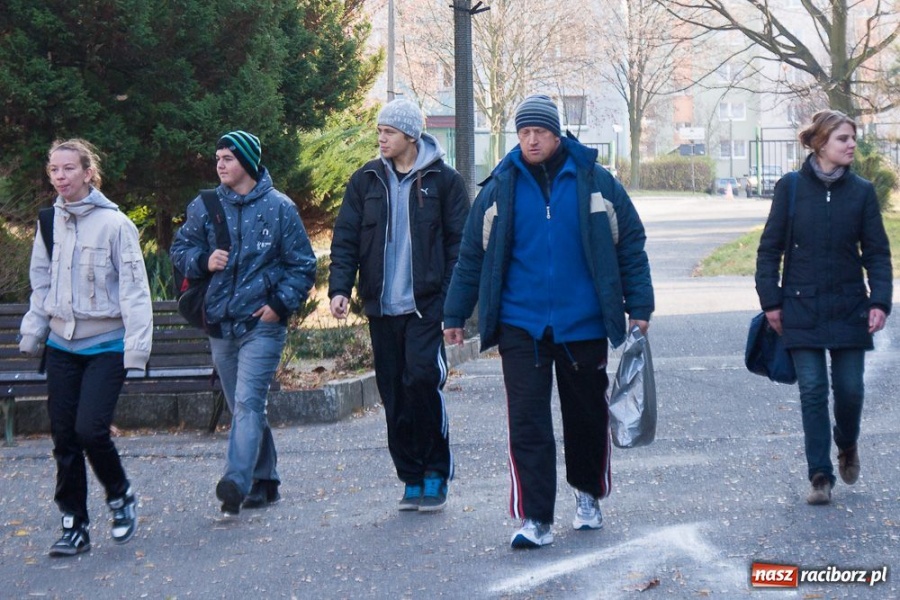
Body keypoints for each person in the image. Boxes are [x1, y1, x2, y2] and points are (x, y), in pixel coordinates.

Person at [443, 95, 654, 548]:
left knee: (586, 418)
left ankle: (588, 494)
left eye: (540, 131)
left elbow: (630, 245)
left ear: (557, 134)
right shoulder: (499, 187)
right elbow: (471, 256)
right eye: (524, 132)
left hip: (584, 323)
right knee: (527, 423)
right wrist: (454, 313)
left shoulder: (595, 181)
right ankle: (534, 517)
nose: (532, 140)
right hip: (522, 326)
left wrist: (640, 306)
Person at [328, 98, 469, 512]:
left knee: (422, 381)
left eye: (389, 132)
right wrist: (340, 289)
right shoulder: (366, 180)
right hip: (381, 307)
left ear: (410, 135)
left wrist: (451, 303)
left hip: (425, 306)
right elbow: (346, 238)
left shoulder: (445, 182)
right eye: (379, 131)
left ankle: (435, 472)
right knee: (394, 394)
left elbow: (460, 246)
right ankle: (410, 476)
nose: (381, 139)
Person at [170, 131, 316, 514]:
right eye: (217, 158)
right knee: (242, 407)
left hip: (261, 325)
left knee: (249, 402)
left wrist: (278, 305)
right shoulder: (204, 206)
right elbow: (180, 249)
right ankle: (265, 480)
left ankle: (236, 481)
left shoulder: (280, 208)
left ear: (247, 163)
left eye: (228, 158)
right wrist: (203, 261)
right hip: (219, 324)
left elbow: (302, 265)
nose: (220, 165)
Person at [19, 139, 153, 556]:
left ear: (88, 173)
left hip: (106, 345)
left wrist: (136, 351)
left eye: (69, 169)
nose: (60, 177)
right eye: (54, 170)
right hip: (61, 345)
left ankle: (119, 494)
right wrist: (33, 331)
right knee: (64, 438)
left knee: (90, 430)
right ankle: (74, 524)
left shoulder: (116, 225)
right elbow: (41, 284)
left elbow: (135, 291)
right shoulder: (48, 222)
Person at [755, 110, 892, 506]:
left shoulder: (862, 192)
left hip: (850, 306)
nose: (852, 145)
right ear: (820, 144)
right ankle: (820, 475)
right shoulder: (791, 188)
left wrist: (879, 301)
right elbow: (769, 250)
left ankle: (846, 442)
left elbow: (877, 253)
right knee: (813, 390)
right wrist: (771, 301)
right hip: (801, 306)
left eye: (853, 138)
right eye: (843, 138)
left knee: (850, 390)